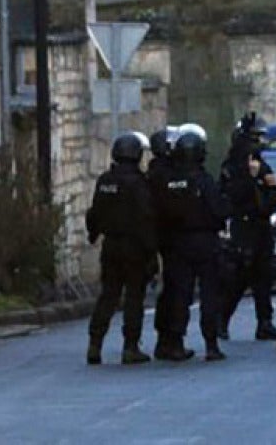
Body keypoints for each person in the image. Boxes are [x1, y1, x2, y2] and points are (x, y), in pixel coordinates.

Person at [155, 127, 232, 361]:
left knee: (180, 294)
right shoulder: (203, 180)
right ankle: (211, 344)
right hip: (205, 242)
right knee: (209, 293)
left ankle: (176, 342)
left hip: (176, 243)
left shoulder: (167, 181)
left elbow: (158, 212)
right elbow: (220, 210)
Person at [85, 132, 158, 365]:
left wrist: (93, 234)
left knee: (108, 295)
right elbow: (146, 217)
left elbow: (94, 212)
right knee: (134, 297)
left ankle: (95, 344)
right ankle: (130, 347)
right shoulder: (138, 183)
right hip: (134, 247)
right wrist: (151, 252)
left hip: (111, 245)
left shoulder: (105, 181)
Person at [219, 112, 276, 341]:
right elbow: (232, 197)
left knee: (263, 276)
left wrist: (273, 188)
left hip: (260, 226)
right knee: (239, 276)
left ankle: (264, 322)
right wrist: (251, 180)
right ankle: (222, 320)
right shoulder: (232, 167)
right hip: (243, 227)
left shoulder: (259, 164)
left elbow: (272, 193)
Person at [147, 127, 193, 360]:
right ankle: (173, 339)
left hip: (160, 238)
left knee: (170, 290)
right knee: (178, 290)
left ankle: (165, 338)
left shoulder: (152, 174)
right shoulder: (169, 176)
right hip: (174, 238)